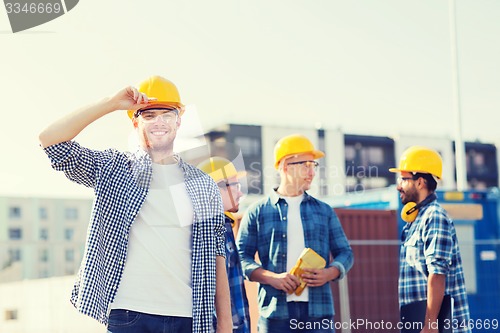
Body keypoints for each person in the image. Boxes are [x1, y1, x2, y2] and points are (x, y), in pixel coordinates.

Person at [38, 75, 232, 333]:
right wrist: (110, 103)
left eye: (167, 114)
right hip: (129, 313)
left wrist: (226, 325)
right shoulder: (114, 167)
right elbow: (50, 141)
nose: (159, 122)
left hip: (189, 316)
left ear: (179, 120)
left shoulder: (203, 184)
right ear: (135, 122)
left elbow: (216, 255)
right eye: (149, 115)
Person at [236, 134, 354, 333]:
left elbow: (346, 253)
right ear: (284, 166)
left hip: (319, 313)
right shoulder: (257, 211)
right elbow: (240, 258)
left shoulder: (324, 211)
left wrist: (329, 273)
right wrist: (271, 277)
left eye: (313, 165)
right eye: (305, 164)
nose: (312, 172)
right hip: (275, 314)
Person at [389, 146, 471, 333]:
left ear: (420, 182)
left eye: (403, 179)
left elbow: (437, 274)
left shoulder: (434, 217)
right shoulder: (415, 219)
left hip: (437, 327)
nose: (398, 186)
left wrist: (431, 324)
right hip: (417, 322)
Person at [198, 156, 252, 333]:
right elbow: (208, 295)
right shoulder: (207, 231)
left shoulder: (224, 225)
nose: (240, 193)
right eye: (235, 185)